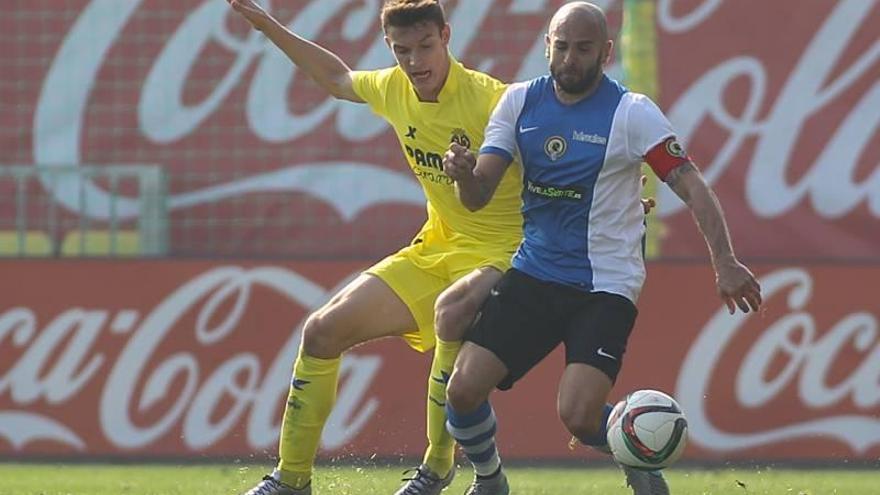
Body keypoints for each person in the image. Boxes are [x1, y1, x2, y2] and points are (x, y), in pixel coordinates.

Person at [440, 2, 763, 495]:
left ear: (606, 52)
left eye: (583, 48)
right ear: (547, 45)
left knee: (578, 415)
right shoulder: (518, 103)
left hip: (605, 284)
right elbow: (479, 195)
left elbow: (692, 185)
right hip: (535, 272)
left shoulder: (631, 113)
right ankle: (489, 480)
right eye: (561, 46)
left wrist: (726, 262)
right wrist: (464, 175)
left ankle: (638, 448)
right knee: (461, 391)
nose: (570, 58)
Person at [226, 1, 523, 494]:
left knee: (452, 315)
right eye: (402, 50)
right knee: (321, 331)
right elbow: (337, 79)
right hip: (436, 250)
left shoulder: (492, 101)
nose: (415, 62)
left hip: (505, 254)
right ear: (390, 48)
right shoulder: (392, 87)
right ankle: (291, 480)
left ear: (447, 36)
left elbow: (557, 158)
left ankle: (436, 467)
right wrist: (267, 25)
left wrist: (618, 202)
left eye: (425, 46)